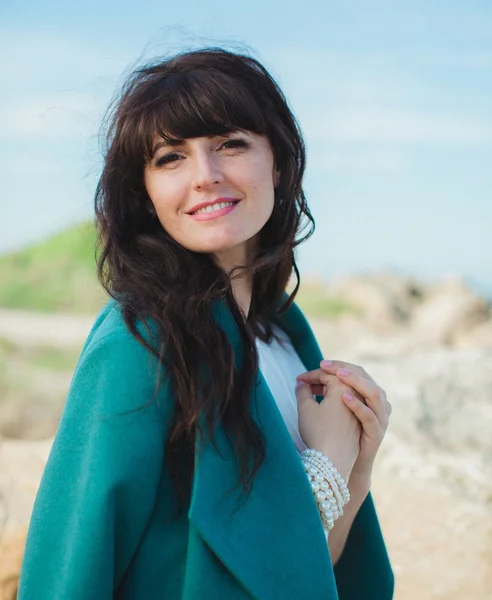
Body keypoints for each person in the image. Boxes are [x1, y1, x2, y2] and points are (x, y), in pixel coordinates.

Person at [17, 47, 394, 599]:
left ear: (280, 162)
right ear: (144, 194)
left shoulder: (283, 334)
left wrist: (354, 468)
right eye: (171, 158)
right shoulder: (141, 339)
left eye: (230, 144)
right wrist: (327, 465)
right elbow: (72, 563)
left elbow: (303, 575)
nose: (206, 176)